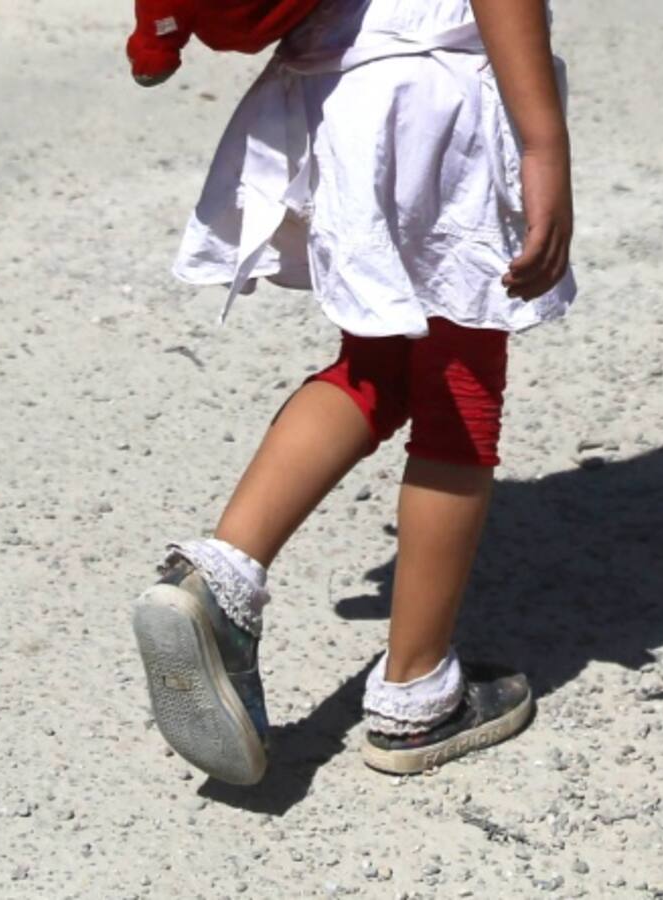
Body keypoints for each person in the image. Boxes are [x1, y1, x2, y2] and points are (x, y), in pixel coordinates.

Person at [131, 0, 576, 785]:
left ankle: (220, 578)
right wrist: (543, 147)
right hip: (438, 97)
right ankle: (418, 694)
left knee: (375, 369)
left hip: (340, 93)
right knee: (460, 394)